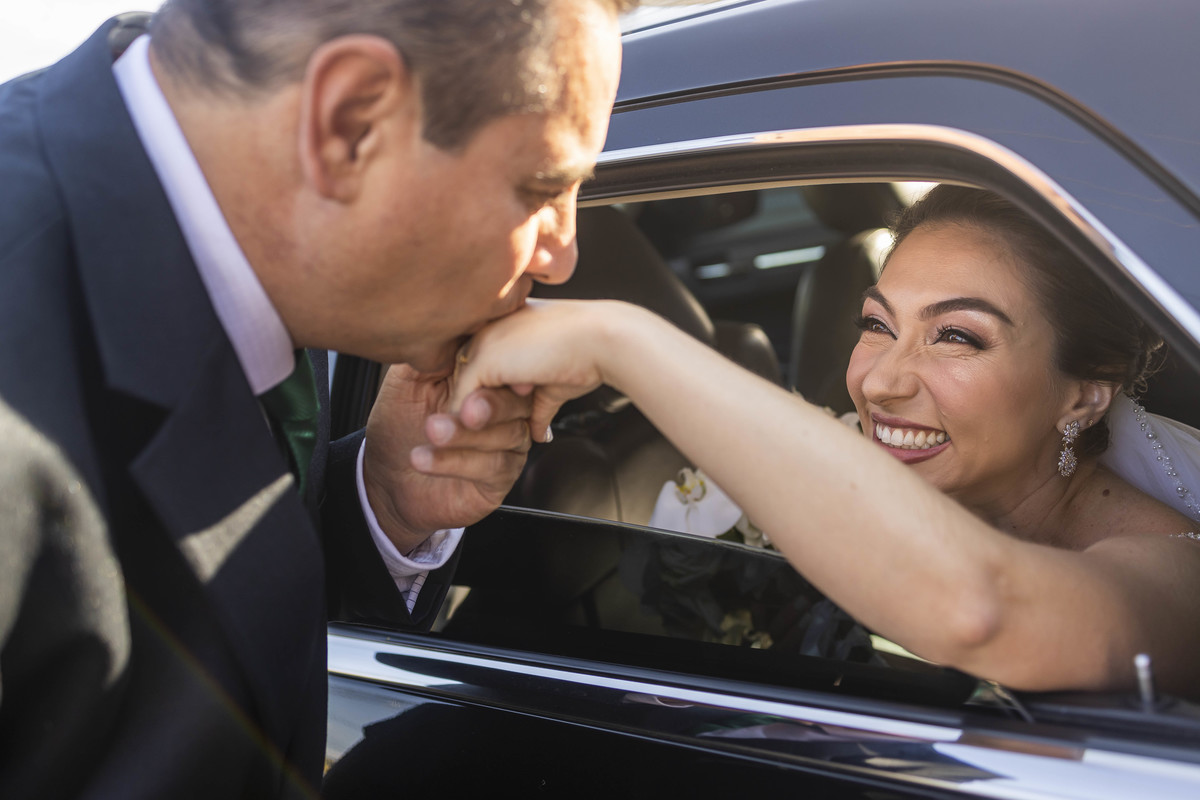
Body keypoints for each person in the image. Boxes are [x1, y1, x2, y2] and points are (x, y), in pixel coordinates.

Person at [0, 0, 635, 797]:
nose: (564, 255)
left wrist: (387, 506)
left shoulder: (252, 279)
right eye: (543, 186)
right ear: (350, 121)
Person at [449, 185, 1200, 699]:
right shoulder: (810, 481)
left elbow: (984, 609)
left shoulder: (1180, 571)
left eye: (957, 337)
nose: (879, 385)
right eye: (877, 325)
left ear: (1085, 392)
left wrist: (621, 340)